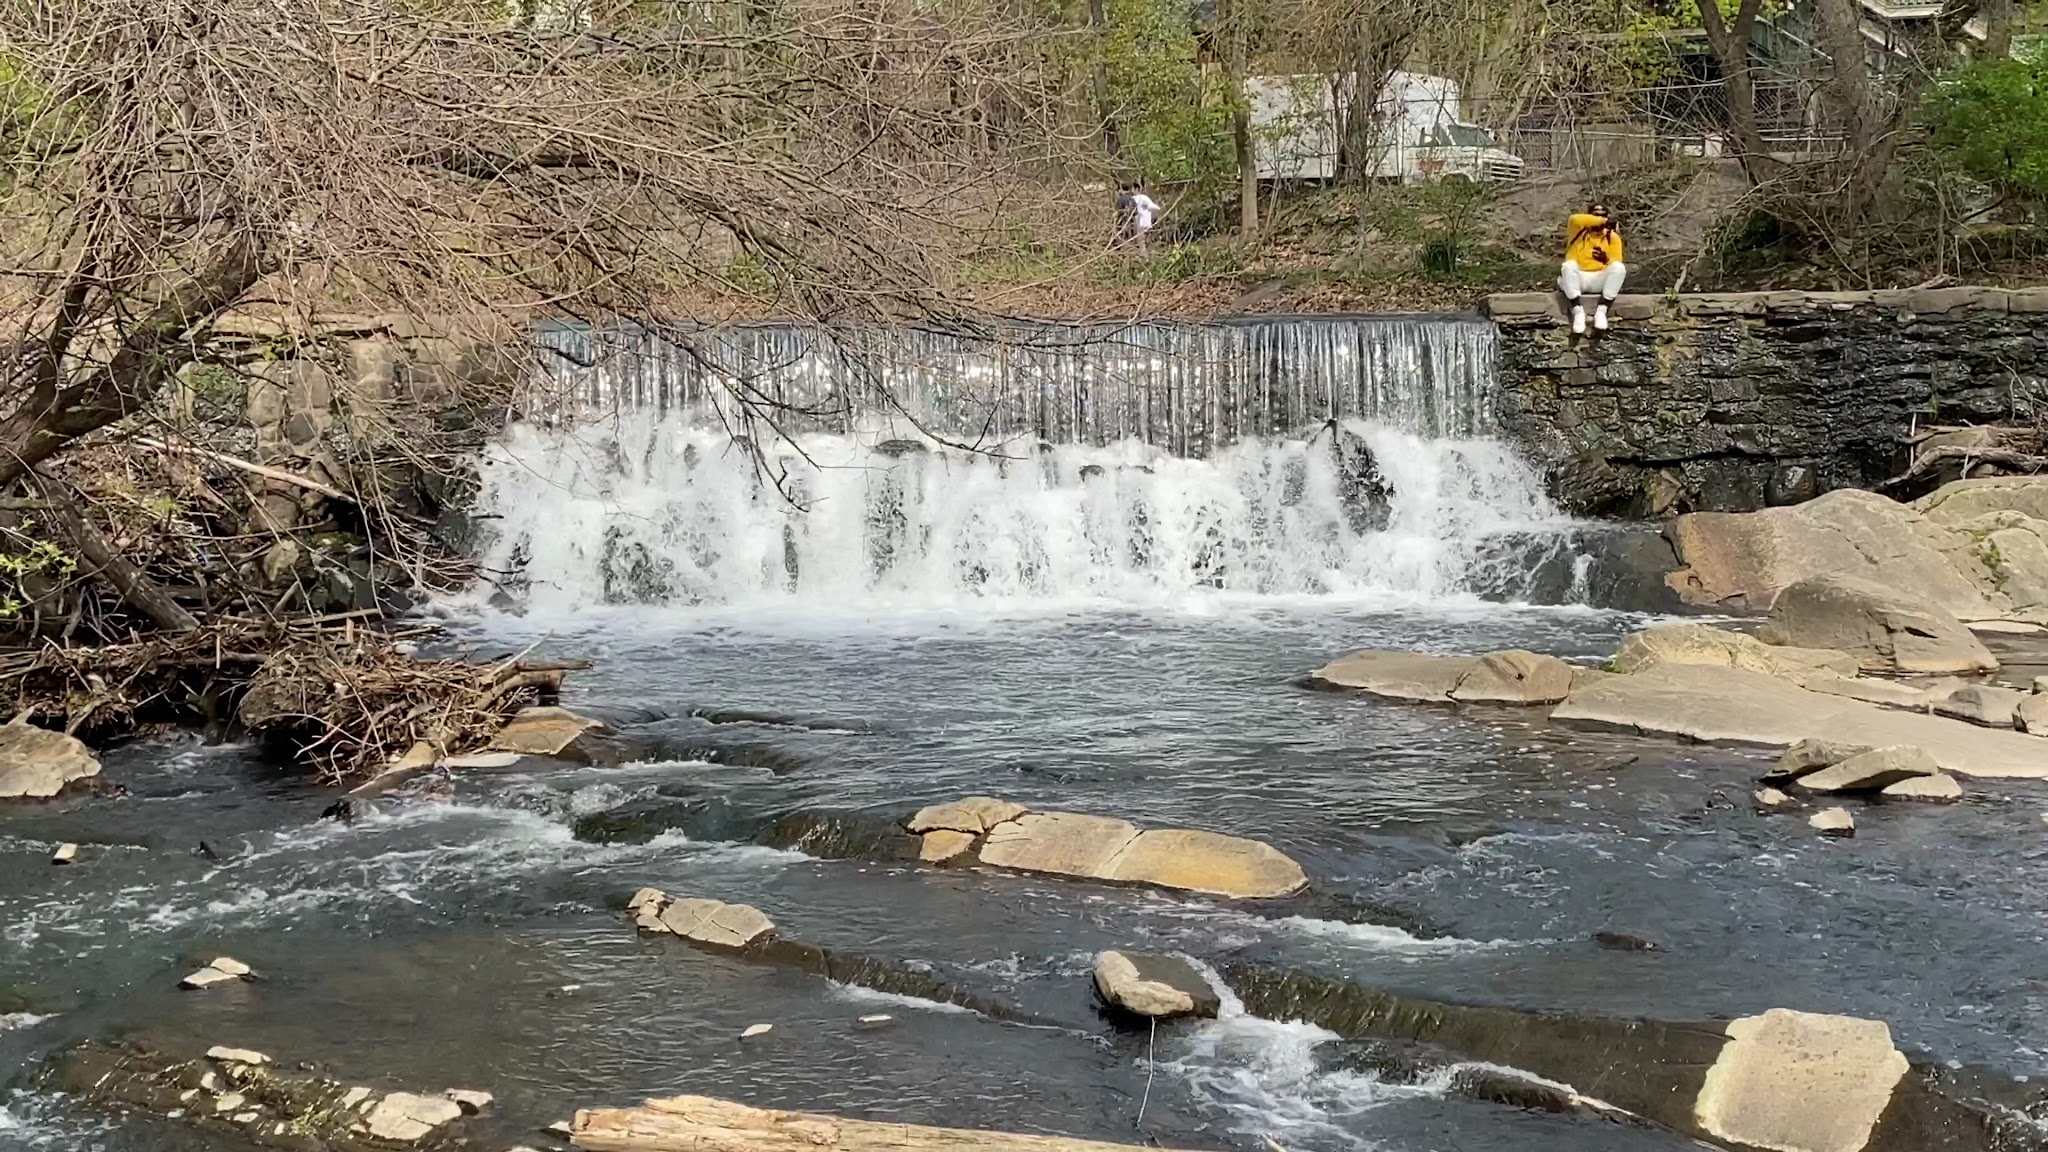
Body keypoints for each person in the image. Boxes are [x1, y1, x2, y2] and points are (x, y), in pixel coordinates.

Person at [1560, 204, 1625, 334]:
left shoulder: (1612, 237)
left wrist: (1606, 260)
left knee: (1619, 268)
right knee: (1567, 266)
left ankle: (1602, 310)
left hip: (1599, 279)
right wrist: (1604, 220)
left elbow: (1617, 263)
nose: (1599, 219)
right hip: (1580, 279)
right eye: (1595, 216)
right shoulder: (1578, 231)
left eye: (1602, 215)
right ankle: (1577, 310)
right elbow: (1574, 219)